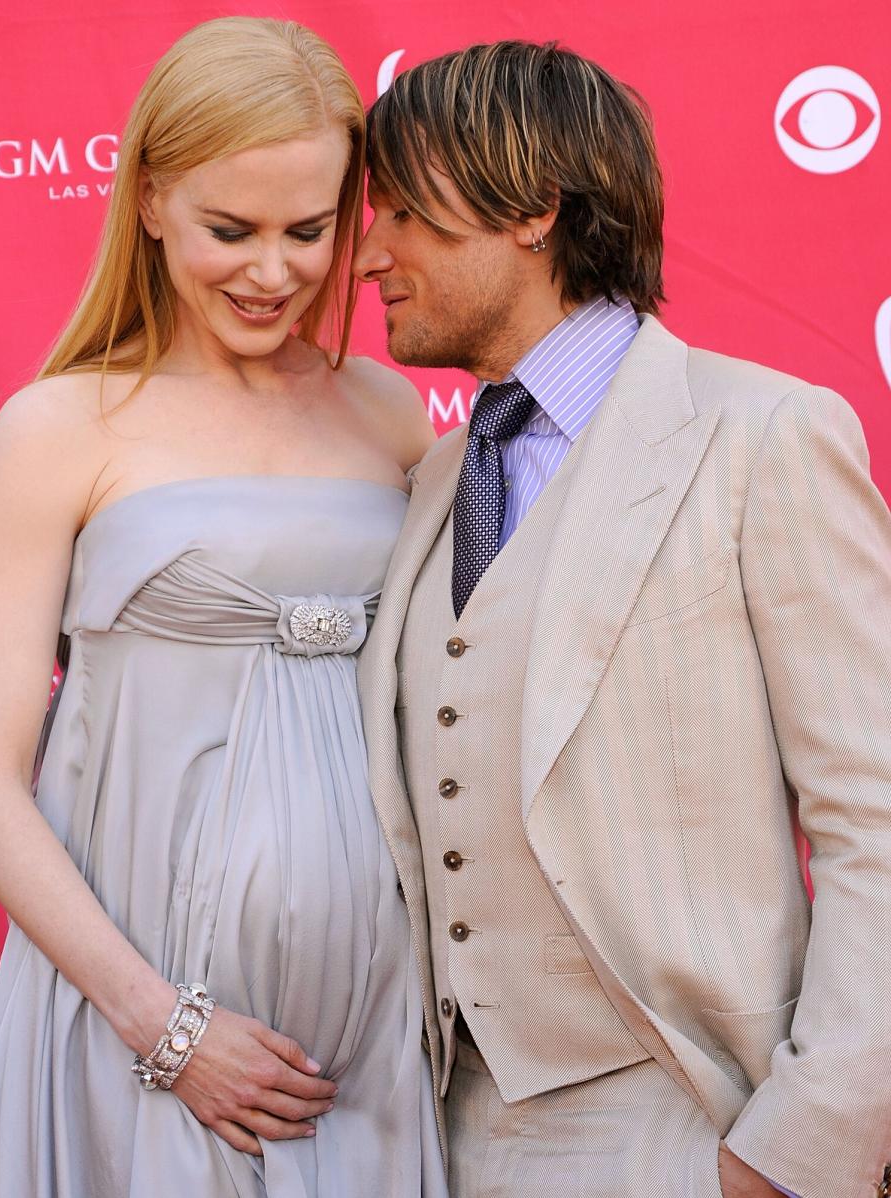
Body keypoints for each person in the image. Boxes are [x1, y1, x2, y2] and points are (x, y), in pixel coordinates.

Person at [353, 39, 891, 1198]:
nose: (369, 253)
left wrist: (800, 1151)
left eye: (401, 209)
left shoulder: (762, 436)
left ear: (533, 208)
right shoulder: (436, 478)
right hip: (438, 1138)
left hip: (693, 1127)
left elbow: (878, 817)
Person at [0, 17, 447, 1197]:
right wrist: (165, 1029)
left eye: (307, 231)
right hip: (137, 1052)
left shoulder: (387, 414)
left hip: (368, 1052)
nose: (273, 272)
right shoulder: (58, 428)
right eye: (232, 229)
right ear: (154, 199)